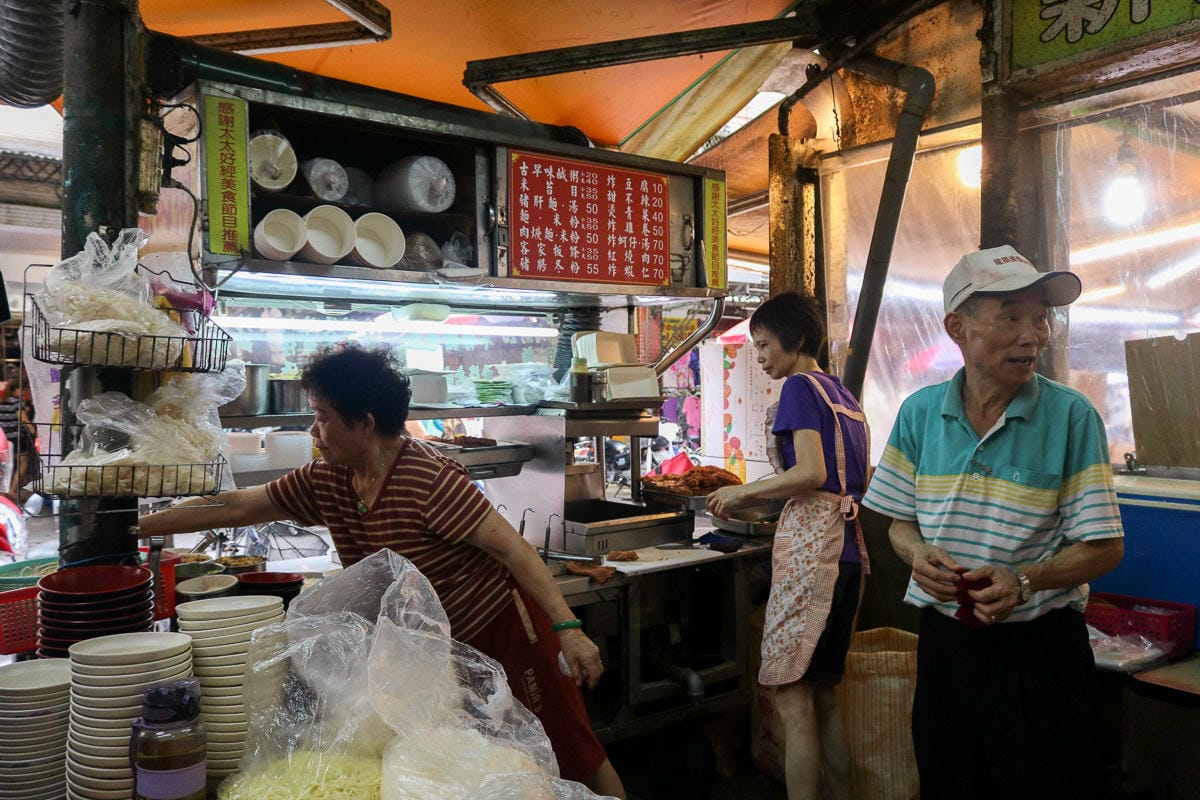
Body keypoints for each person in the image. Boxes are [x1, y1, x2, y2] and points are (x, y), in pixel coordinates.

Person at [139, 343, 625, 798]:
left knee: (570, 753)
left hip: (504, 634)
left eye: (323, 418)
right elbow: (237, 508)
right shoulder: (326, 478)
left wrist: (569, 629)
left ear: (365, 423)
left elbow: (515, 552)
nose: (313, 431)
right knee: (492, 768)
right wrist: (138, 523)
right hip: (438, 654)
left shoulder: (429, 479)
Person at [861, 245, 1125, 799]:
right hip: (945, 646)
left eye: (1040, 317)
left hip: (1039, 653)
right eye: (1010, 316)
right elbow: (898, 523)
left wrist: (1023, 579)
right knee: (950, 782)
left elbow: (1103, 548)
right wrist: (916, 554)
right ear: (957, 327)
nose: (1032, 335)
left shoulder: (1071, 416)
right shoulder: (918, 413)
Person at [705, 292, 870, 800]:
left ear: (795, 341)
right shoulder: (842, 394)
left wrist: (741, 490)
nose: (759, 357)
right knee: (824, 699)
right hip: (848, 555)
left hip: (814, 557)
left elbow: (812, 473)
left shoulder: (800, 386)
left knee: (792, 699)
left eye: (763, 345)